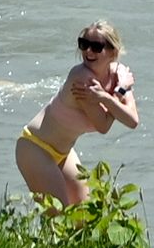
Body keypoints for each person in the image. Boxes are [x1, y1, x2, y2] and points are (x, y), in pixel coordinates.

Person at [13, 21, 139, 210]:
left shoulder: (119, 76)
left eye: (96, 47)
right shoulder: (82, 78)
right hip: (35, 148)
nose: (88, 51)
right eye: (83, 44)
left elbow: (132, 120)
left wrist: (110, 94)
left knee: (83, 215)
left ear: (113, 52)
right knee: (59, 218)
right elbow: (103, 126)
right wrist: (117, 94)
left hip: (64, 153)